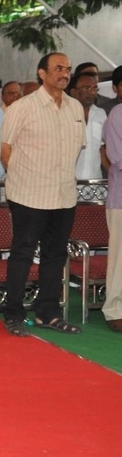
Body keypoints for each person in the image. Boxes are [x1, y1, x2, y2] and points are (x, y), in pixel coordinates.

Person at [1, 52, 85, 337]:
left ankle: (48, 312)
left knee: (55, 255)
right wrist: (24, 178)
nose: (65, 73)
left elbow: (74, 150)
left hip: (63, 195)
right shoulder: (22, 107)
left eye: (68, 69)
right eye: (58, 68)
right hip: (28, 194)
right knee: (22, 254)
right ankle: (13, 313)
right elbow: (5, 148)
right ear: (41, 73)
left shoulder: (75, 108)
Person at [102, 105, 122, 332]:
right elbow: (117, 158)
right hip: (121, 202)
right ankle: (115, 310)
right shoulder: (118, 115)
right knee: (120, 260)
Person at [68, 72, 106, 180]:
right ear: (73, 92)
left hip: (95, 181)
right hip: (69, 182)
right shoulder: (64, 114)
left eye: (95, 88)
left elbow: (102, 149)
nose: (92, 92)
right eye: (87, 88)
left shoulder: (100, 114)